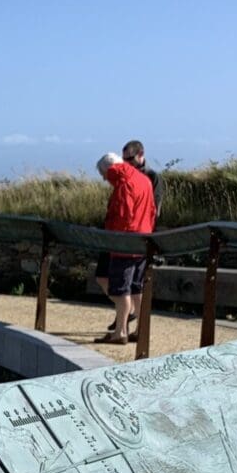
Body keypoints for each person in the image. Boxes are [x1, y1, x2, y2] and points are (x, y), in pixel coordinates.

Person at [95, 152, 155, 344]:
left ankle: (120, 332)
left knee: (121, 290)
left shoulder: (123, 183)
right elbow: (152, 210)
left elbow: (122, 214)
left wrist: (111, 236)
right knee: (137, 288)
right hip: (143, 240)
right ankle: (140, 330)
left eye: (104, 176)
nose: (106, 180)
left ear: (108, 170)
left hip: (124, 243)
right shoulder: (144, 180)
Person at [122, 139, 164, 220]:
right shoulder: (124, 177)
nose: (127, 163)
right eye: (124, 160)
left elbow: (156, 207)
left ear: (141, 154)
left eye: (130, 159)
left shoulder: (153, 177)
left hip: (144, 225)